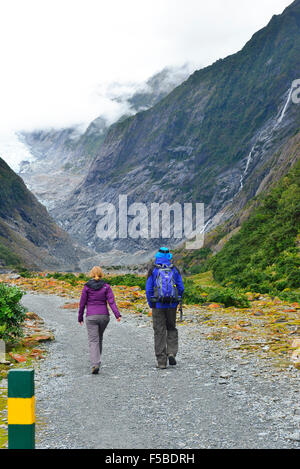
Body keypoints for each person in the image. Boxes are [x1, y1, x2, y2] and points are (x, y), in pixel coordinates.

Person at [78, 266, 121, 374]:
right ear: (101, 274)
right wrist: (117, 314)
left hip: (91, 316)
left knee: (93, 340)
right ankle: (97, 361)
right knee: (99, 338)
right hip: (104, 316)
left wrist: (80, 317)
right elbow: (111, 302)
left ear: (91, 274)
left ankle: (95, 364)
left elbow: (82, 303)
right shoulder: (106, 286)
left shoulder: (87, 287)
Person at [146, 247, 184, 369]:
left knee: (159, 331)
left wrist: (152, 304)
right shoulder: (174, 269)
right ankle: (171, 352)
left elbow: (149, 289)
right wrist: (177, 300)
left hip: (158, 304)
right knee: (171, 328)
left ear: (157, 256)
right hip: (172, 304)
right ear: (169, 257)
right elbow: (181, 287)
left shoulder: (153, 269)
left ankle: (161, 361)